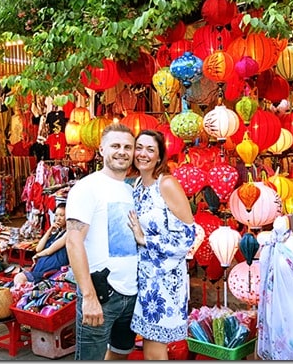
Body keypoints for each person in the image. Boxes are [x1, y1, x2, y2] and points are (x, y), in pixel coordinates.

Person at [65, 123, 139, 360]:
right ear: (101, 149)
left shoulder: (131, 190)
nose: (122, 151)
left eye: (128, 147)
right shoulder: (87, 187)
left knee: (120, 354)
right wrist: (88, 296)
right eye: (115, 145)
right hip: (102, 293)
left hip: (131, 292)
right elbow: (73, 241)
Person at [127, 129, 196, 360]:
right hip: (143, 275)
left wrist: (144, 239)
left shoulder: (165, 184)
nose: (143, 154)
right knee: (149, 342)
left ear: (159, 156)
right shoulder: (137, 184)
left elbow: (188, 236)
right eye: (139, 147)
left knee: (155, 346)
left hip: (164, 278)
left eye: (150, 149)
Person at [0, 203, 69, 337]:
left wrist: (38, 256)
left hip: (48, 274)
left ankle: (15, 313)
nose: (58, 218)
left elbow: (49, 250)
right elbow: (38, 248)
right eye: (56, 215)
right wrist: (49, 230)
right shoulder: (55, 233)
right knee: (3, 290)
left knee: (19, 280)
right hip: (38, 270)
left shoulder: (69, 233)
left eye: (62, 215)